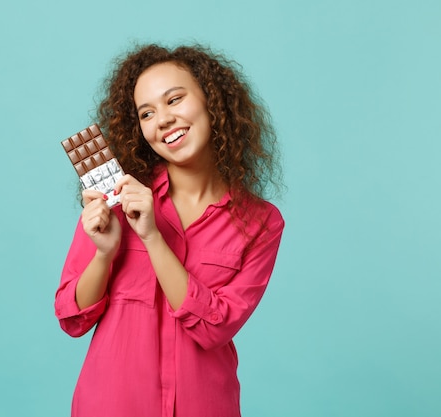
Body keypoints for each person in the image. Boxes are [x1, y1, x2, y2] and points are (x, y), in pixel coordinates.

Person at [54, 43, 285, 417]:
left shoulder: (260, 222)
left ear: (212, 101)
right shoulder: (118, 197)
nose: (162, 120)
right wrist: (104, 252)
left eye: (174, 100)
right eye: (147, 113)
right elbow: (72, 317)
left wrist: (151, 237)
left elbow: (215, 328)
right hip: (111, 405)